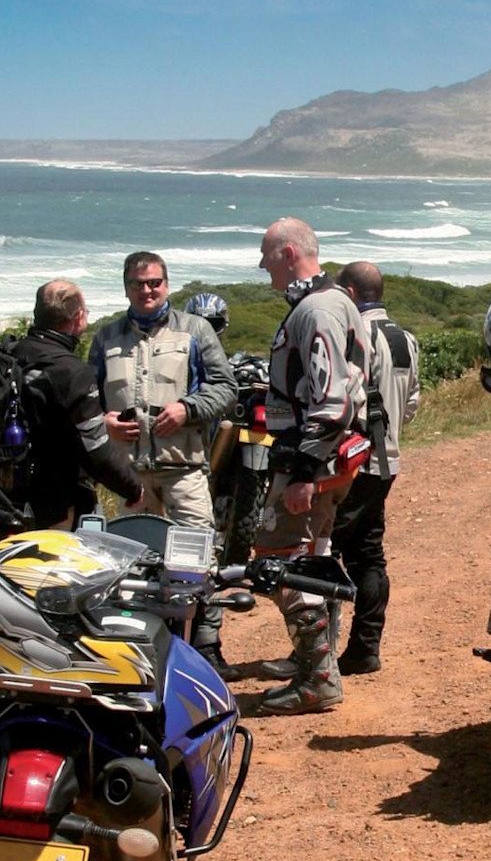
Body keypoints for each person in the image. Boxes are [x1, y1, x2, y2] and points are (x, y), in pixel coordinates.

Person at [89, 252, 237, 675]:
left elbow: (226, 389)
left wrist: (188, 410)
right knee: (133, 565)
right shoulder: (106, 338)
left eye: (154, 282)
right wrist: (106, 423)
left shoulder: (196, 331)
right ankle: (140, 652)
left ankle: (207, 648)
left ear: (167, 285)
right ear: (126, 288)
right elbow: (89, 401)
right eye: (138, 284)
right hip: (129, 476)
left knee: (199, 562)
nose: (147, 290)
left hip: (184, 468)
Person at [249, 217, 371, 715]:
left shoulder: (317, 310)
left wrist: (301, 473)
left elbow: (332, 402)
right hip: (332, 461)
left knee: (277, 563)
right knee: (314, 558)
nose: (262, 266)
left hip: (313, 466)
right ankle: (317, 666)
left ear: (288, 253)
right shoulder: (336, 302)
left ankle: (318, 677)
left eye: (266, 255)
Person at [326, 260, 419, 676]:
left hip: (354, 459)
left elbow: (342, 397)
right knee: (368, 553)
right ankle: (365, 646)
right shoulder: (407, 339)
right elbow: (412, 402)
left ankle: (318, 654)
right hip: (387, 458)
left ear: (348, 292)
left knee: (322, 550)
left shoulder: (356, 333)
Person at [11, 280, 142, 528]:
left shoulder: (7, 355)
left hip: (3, 500)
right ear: (79, 318)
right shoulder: (71, 371)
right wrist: (132, 488)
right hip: (54, 504)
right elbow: (97, 451)